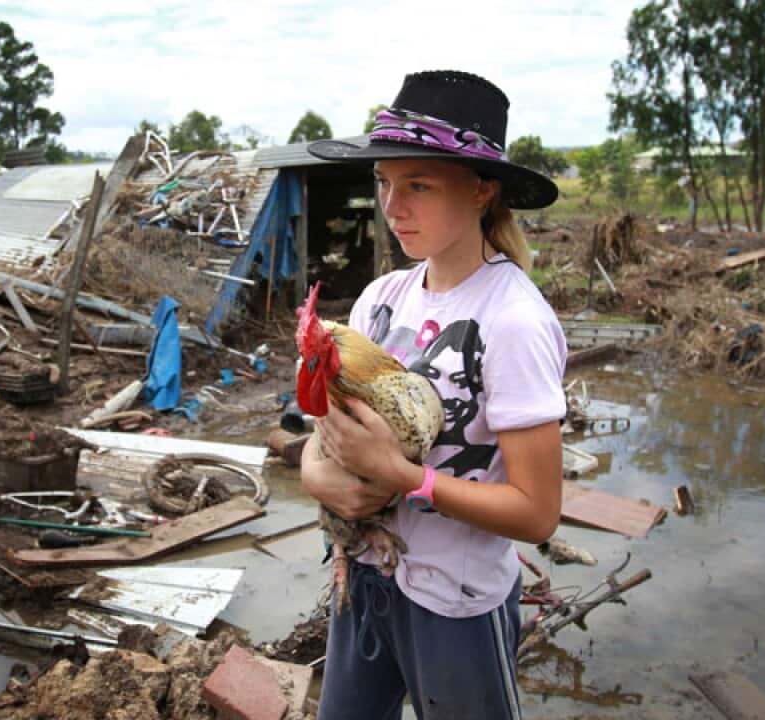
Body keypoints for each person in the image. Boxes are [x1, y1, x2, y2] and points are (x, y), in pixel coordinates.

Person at [301, 70, 569, 720]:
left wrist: (404, 477)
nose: (392, 207)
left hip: (457, 605)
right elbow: (325, 437)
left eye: (417, 185)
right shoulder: (380, 298)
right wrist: (316, 476)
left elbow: (537, 515)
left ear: (482, 189)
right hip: (364, 580)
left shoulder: (514, 322)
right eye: (385, 183)